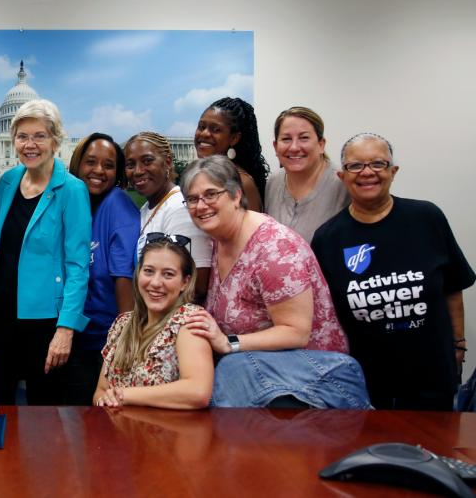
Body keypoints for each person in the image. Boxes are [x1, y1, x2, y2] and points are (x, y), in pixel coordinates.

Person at [179, 155, 370, 409]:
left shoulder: (275, 248)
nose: (201, 206)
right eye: (192, 199)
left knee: (232, 369)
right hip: (261, 382)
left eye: (211, 194)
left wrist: (229, 343)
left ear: (236, 196)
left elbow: (296, 332)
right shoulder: (217, 239)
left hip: (314, 386)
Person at [312, 133, 475, 411]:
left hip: (432, 376)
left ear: (393, 171)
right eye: (356, 166)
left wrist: (458, 345)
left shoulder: (427, 218)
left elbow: (452, 287)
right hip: (365, 386)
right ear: (342, 176)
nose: (367, 173)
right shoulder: (328, 239)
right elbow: (325, 316)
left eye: (378, 164)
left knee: (434, 452)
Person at [0, 99, 92, 405]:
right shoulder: (8, 181)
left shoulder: (72, 190)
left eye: (40, 136)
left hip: (44, 322)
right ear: (12, 139)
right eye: (23, 136)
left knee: (45, 410)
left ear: (55, 140)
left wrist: (65, 329)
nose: (30, 145)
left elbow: (78, 266)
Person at [94, 236, 213, 409]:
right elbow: (100, 392)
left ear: (185, 283)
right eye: (149, 271)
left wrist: (124, 395)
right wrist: (105, 400)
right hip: (119, 432)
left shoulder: (188, 320)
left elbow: (198, 392)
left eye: (168, 274)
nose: (156, 282)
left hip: (166, 433)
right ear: (138, 273)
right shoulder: (122, 324)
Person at [64, 133, 139, 405]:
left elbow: (124, 275)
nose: (98, 171)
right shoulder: (83, 205)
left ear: (117, 173)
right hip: (82, 337)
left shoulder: (117, 204)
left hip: (105, 346)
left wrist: (124, 344)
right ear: (77, 164)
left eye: (108, 165)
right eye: (91, 162)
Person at [126, 131, 212, 301]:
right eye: (130, 164)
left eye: (147, 161)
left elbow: (197, 285)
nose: (137, 171)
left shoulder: (180, 208)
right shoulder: (147, 208)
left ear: (167, 162)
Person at [265, 107, 349, 242]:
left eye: (304, 138)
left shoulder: (343, 183)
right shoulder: (272, 182)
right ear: (275, 146)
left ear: (321, 144)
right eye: (286, 139)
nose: (294, 147)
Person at [193, 97, 268, 212]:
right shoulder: (199, 175)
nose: (204, 133)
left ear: (234, 138)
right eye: (201, 127)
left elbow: (254, 229)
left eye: (215, 129)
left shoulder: (242, 182)